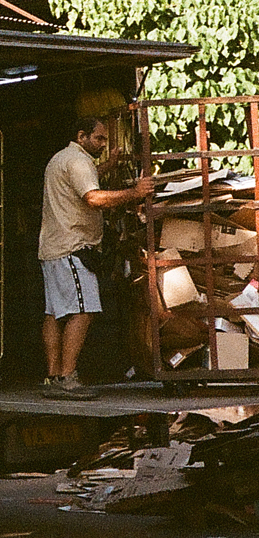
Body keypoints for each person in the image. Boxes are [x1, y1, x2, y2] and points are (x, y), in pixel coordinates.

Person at [38, 116, 154, 397]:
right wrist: (135, 192)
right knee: (84, 310)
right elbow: (92, 198)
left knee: (54, 314)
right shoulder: (78, 161)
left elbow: (82, 179)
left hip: (53, 248)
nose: (103, 144)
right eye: (99, 138)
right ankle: (67, 377)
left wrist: (108, 166)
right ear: (82, 136)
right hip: (73, 248)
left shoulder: (62, 158)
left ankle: (53, 377)